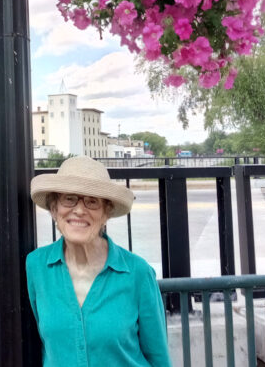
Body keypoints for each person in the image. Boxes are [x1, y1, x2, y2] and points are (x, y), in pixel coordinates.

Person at [27, 156, 172, 367]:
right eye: (69, 198)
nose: (79, 209)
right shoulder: (36, 266)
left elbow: (159, 358)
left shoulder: (138, 273)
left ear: (106, 213)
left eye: (92, 201)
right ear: (54, 209)